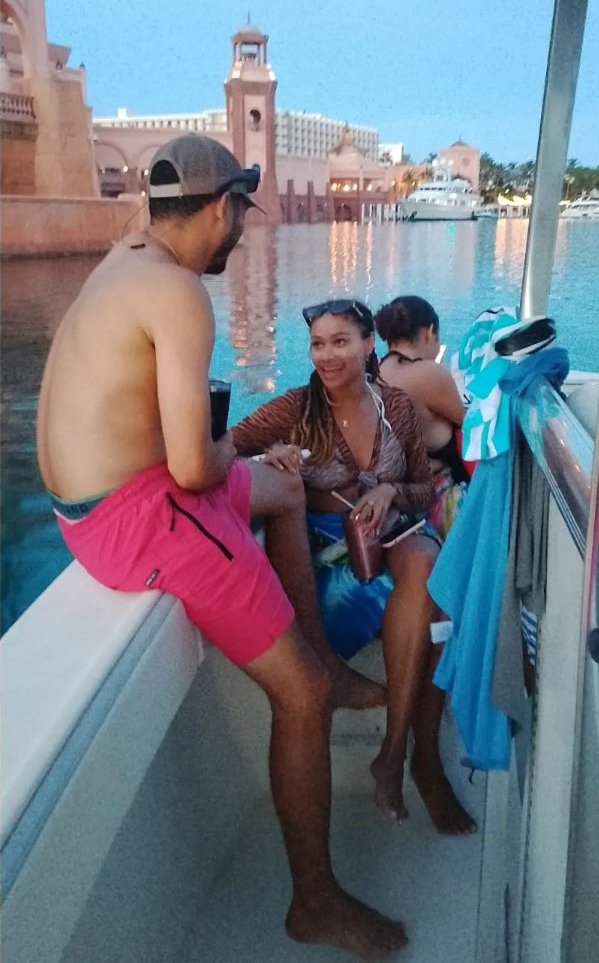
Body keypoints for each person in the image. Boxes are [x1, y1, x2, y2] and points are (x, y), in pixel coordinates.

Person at [36, 134, 407, 961]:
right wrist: (238, 455)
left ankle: (326, 658)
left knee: (284, 488)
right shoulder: (177, 292)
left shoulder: (127, 255)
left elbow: (191, 457)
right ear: (218, 207)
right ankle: (313, 902)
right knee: (300, 698)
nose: (240, 230)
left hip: (92, 503)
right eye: (239, 211)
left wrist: (255, 466)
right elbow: (192, 466)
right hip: (138, 514)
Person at [231, 299, 475, 834]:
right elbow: (221, 450)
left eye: (340, 341)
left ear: (369, 345)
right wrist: (266, 460)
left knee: (430, 567)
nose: (327, 354)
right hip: (321, 553)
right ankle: (422, 761)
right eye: (318, 343)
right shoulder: (294, 409)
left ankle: (397, 755)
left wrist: (389, 489)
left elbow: (416, 489)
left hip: (390, 535)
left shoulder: (398, 407)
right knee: (434, 610)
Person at [375, 295, 470, 538]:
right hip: (435, 500)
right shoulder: (429, 374)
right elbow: (470, 423)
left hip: (395, 499)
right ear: (429, 332)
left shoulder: (375, 373)